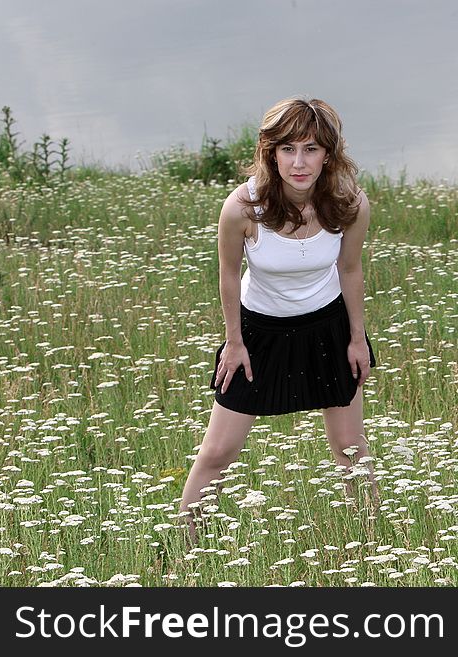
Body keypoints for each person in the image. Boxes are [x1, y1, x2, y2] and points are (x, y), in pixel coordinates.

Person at [179, 96, 379, 545]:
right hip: (259, 333)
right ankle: (186, 547)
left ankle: (373, 544)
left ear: (329, 153)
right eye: (287, 149)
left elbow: (350, 270)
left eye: (310, 149)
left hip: (327, 328)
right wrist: (234, 342)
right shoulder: (243, 208)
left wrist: (357, 338)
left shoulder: (349, 205)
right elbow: (229, 274)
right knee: (217, 451)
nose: (299, 162)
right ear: (271, 153)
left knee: (351, 449)